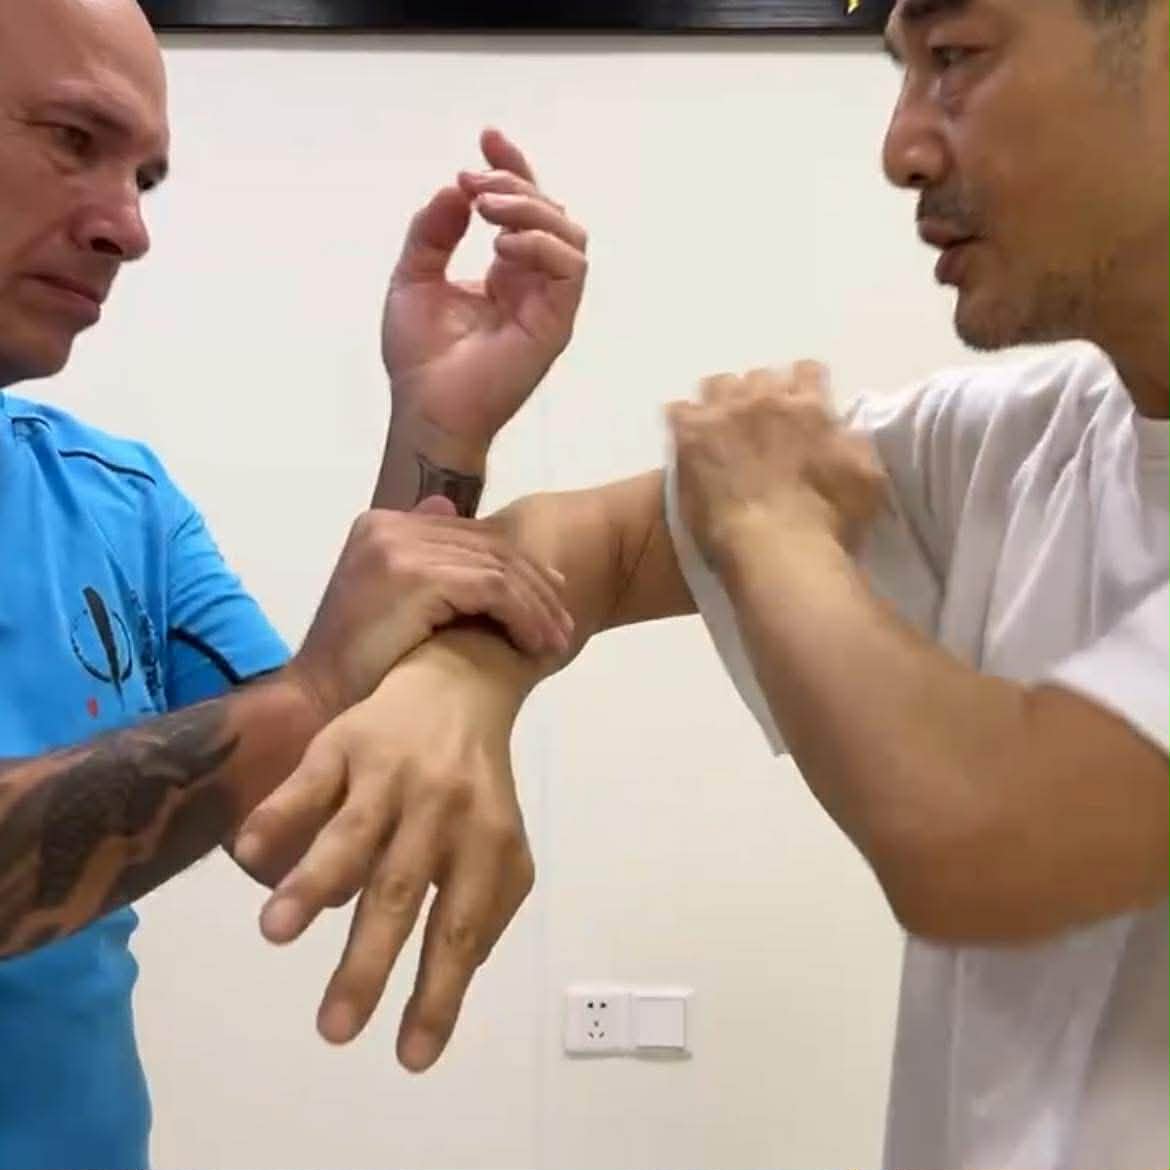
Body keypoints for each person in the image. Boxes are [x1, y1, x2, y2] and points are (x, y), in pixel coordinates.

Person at [244, 0, 1170, 1166]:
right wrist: (460, 686)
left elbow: (980, 839)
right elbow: (601, 545)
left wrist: (767, 522)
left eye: (954, 59)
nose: (900, 147)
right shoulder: (1013, 442)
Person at [0, 0, 588, 1166]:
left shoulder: (116, 503)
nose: (129, 227)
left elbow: (306, 811)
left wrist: (440, 431)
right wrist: (313, 686)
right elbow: (301, 708)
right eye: (74, 139)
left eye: (145, 178)